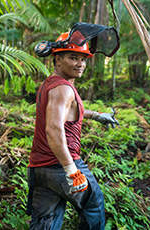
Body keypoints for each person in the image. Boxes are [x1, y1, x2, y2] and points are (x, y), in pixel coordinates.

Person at [27, 31, 119, 230]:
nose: (80, 64)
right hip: (61, 165)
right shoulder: (63, 89)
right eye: (73, 58)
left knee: (46, 221)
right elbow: (53, 129)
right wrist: (71, 170)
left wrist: (97, 115)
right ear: (57, 59)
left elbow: (68, 112)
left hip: (40, 168)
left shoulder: (51, 85)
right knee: (93, 206)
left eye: (83, 59)